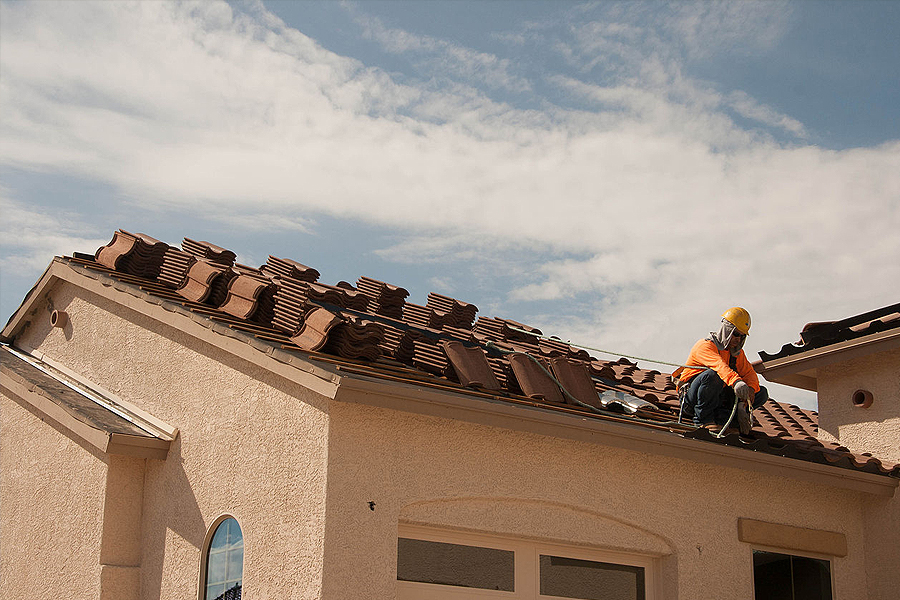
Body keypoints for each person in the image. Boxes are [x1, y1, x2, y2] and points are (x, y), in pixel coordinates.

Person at [674, 307, 768, 435]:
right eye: (736, 334)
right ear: (727, 330)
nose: (738, 339)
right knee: (713, 376)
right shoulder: (705, 346)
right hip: (692, 399)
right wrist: (737, 382)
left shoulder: (736, 354)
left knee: (761, 392)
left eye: (742, 336)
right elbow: (720, 366)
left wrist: (749, 391)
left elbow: (749, 373)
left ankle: (729, 422)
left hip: (717, 400)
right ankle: (702, 420)